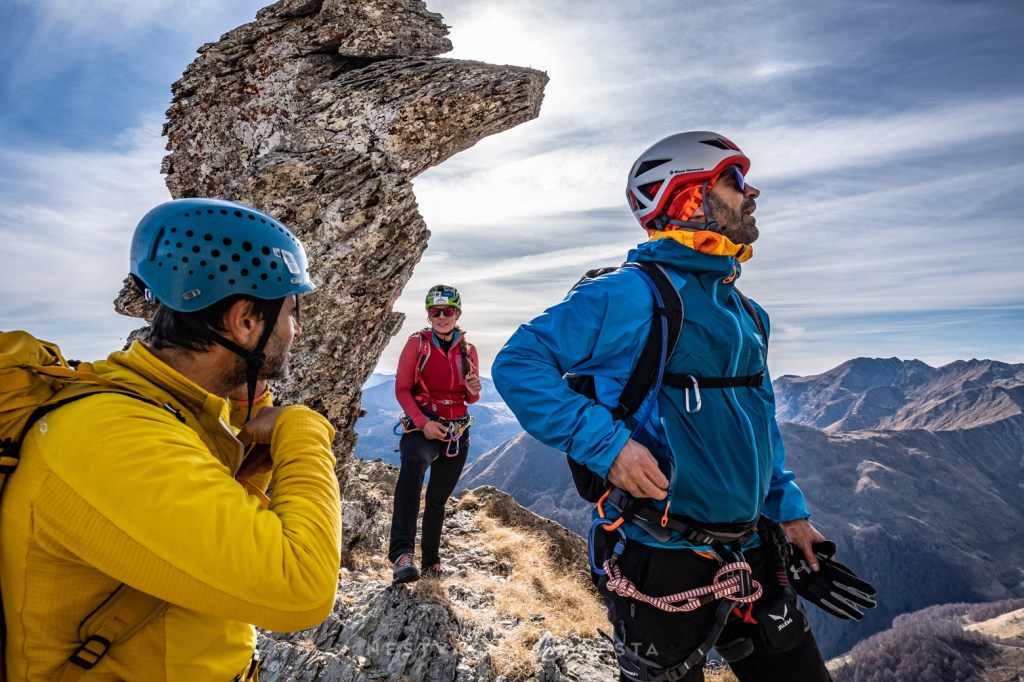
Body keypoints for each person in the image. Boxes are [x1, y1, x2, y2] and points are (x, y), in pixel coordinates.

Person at [492, 132, 835, 681]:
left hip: (753, 548)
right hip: (659, 558)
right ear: (688, 198)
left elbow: (759, 421)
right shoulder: (628, 294)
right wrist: (608, 448)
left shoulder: (747, 312)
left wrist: (789, 510)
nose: (752, 192)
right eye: (734, 180)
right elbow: (519, 363)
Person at [0, 198, 341, 679]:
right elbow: (301, 588)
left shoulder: (163, 407)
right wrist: (304, 429)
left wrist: (244, 405)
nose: (297, 330)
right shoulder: (113, 435)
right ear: (244, 320)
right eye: (290, 311)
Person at [389, 285, 481, 584]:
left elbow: (470, 399)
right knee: (412, 470)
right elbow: (402, 389)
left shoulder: (468, 350)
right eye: (435, 311)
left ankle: (431, 562)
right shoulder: (417, 344)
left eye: (448, 311)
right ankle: (402, 555)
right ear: (429, 314)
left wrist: (474, 390)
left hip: (457, 432)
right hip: (423, 426)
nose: (442, 317)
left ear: (457, 313)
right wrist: (423, 423)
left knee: (438, 499)